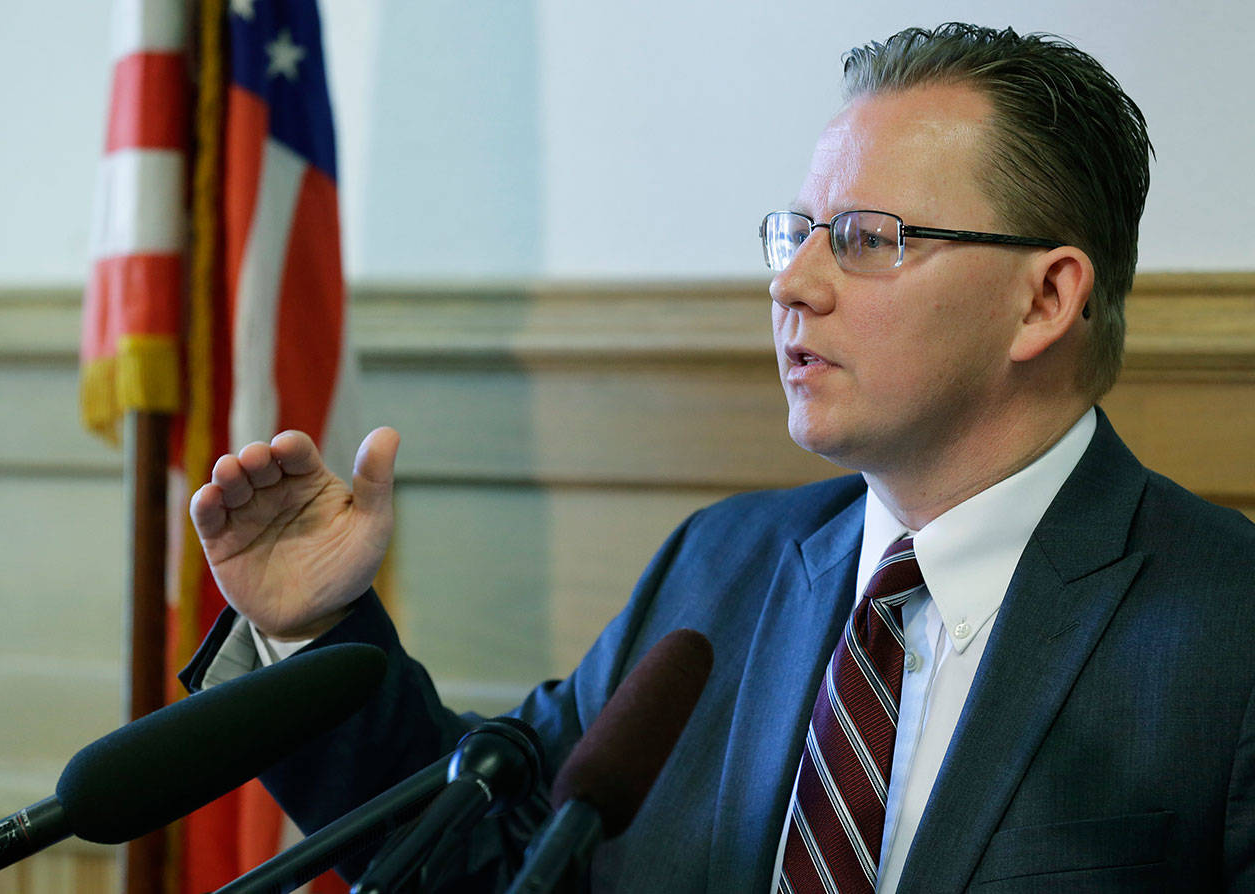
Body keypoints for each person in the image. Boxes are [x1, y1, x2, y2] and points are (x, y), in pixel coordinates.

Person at [182, 22, 1255, 893]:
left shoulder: (1228, 630)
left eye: (867, 239)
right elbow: (496, 853)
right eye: (798, 233)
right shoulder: (718, 568)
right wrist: (314, 627)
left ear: (1045, 299)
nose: (792, 284)